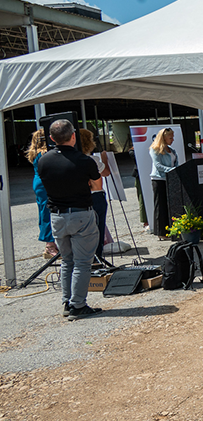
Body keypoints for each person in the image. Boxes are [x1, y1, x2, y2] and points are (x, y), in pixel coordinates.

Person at [36, 119, 102, 320]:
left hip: (57, 216)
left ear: (51, 138)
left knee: (67, 261)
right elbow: (97, 186)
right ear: (73, 136)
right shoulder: (84, 160)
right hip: (81, 214)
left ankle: (67, 301)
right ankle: (78, 305)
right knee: (83, 262)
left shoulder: (43, 160)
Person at [79, 129, 111, 260]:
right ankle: (97, 258)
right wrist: (105, 159)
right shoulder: (93, 159)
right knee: (97, 229)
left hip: (80, 198)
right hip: (96, 196)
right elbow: (106, 172)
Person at [26, 130, 57, 258]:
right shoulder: (45, 153)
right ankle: (50, 245)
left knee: (43, 211)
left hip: (38, 182)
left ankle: (49, 244)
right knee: (48, 212)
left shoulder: (35, 153)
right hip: (46, 183)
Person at [149, 127, 178, 240]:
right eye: (170, 137)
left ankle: (171, 229)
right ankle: (161, 232)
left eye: (173, 137)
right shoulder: (155, 149)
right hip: (159, 180)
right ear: (164, 138)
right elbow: (158, 166)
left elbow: (176, 162)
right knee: (160, 205)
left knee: (170, 205)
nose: (173, 139)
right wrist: (172, 170)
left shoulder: (172, 150)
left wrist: (177, 170)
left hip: (170, 179)